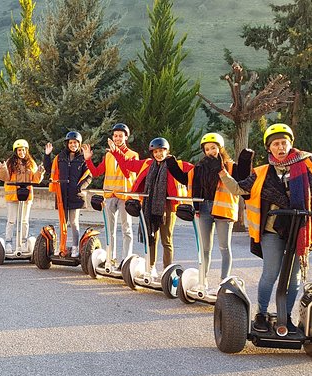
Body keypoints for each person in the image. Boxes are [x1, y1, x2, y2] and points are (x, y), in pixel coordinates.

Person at [219, 123, 312, 334]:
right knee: (270, 273)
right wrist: (223, 174)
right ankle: (261, 313)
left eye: (284, 143)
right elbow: (240, 188)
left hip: (299, 231)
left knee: (294, 278)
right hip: (272, 231)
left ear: (290, 144)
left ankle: (285, 317)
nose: (281, 147)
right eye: (276, 144)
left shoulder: (306, 166)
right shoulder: (261, 172)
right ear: (269, 148)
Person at [166, 133, 253, 288]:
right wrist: (172, 165)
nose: (210, 151)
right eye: (207, 149)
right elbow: (186, 179)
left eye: (213, 148)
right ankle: (202, 280)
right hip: (205, 209)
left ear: (220, 148)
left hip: (223, 210)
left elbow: (243, 180)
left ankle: (223, 282)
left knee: (224, 247)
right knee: (205, 248)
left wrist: (246, 160)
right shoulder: (199, 168)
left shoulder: (230, 166)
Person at [108, 137, 193, 276]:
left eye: (161, 151)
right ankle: (151, 267)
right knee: (151, 238)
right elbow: (128, 163)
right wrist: (116, 152)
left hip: (168, 208)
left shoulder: (176, 164)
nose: (159, 154)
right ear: (152, 153)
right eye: (156, 151)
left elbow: (196, 171)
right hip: (149, 206)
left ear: (167, 151)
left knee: (167, 240)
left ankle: (167, 271)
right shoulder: (147, 164)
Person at [84, 123, 138, 265]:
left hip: (125, 196)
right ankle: (110, 258)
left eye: (121, 136)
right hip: (109, 195)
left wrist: (117, 154)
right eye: (115, 136)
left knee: (126, 230)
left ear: (126, 137)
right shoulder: (108, 155)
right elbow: (96, 173)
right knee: (110, 230)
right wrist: (88, 159)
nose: (118, 138)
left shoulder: (133, 155)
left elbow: (128, 173)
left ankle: (126, 260)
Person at [43, 131, 92, 257]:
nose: (73, 145)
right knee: (62, 222)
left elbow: (89, 176)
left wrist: (80, 187)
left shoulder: (82, 158)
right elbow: (49, 170)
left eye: (75, 143)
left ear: (79, 144)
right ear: (67, 144)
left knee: (74, 222)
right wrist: (47, 156)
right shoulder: (60, 157)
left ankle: (75, 248)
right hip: (61, 194)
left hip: (75, 195)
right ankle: (62, 247)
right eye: (70, 143)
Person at [0, 139, 45, 253]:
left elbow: (35, 180)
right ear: (15, 151)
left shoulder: (31, 163)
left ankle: (23, 242)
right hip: (13, 196)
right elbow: (4, 178)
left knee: (24, 221)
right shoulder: (10, 162)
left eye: (23, 150)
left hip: (26, 196)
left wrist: (40, 172)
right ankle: (8, 243)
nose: (21, 152)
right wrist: (2, 169)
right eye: (18, 150)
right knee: (11, 220)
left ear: (26, 150)